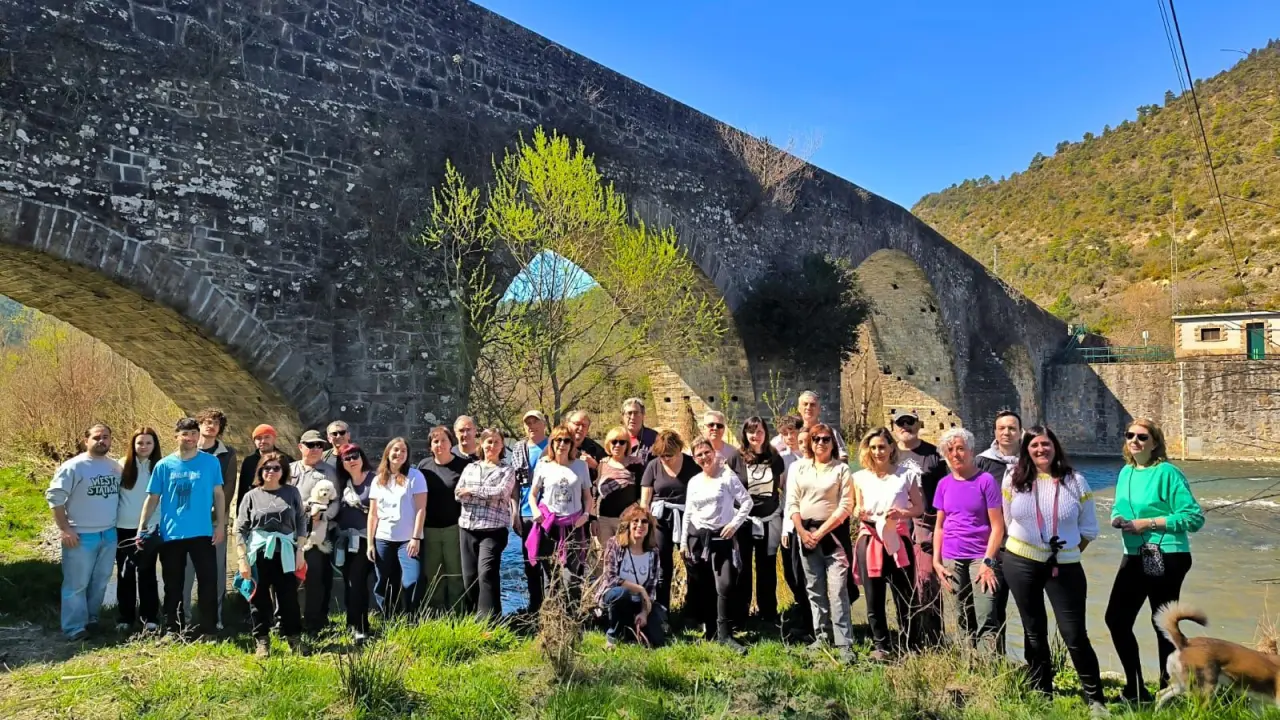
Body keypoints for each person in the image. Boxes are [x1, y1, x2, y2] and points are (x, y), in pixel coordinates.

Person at [1001, 426, 1107, 715]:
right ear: (1026, 450)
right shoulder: (1013, 479)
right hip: (1021, 561)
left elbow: (1089, 529)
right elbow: (1009, 520)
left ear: (1055, 446)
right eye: (1034, 445)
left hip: (1065, 565)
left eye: (1046, 444)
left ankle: (1096, 699)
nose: (1041, 450)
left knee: (1074, 634)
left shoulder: (1076, 481)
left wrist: (1066, 552)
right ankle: (1042, 693)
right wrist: (1033, 548)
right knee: (1034, 631)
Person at [1105, 418, 1204, 702]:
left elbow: (1194, 517)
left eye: (1142, 437)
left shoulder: (1168, 473)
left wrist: (1148, 523)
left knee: (1162, 623)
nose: (1134, 441)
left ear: (1155, 443)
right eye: (1130, 435)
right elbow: (1119, 506)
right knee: (1116, 619)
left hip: (1168, 555)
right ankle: (1136, 689)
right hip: (1135, 554)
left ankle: (1168, 690)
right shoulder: (1126, 472)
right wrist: (1117, 518)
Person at [137, 418, 226, 638]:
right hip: (172, 534)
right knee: (173, 585)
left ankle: (208, 629)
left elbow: (218, 494)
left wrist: (220, 525)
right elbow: (153, 498)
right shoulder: (164, 465)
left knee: (208, 582)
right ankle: (173, 628)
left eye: (194, 433)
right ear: (176, 436)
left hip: (203, 533)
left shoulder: (211, 462)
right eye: (185, 434)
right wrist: (142, 527)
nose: (191, 438)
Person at [931, 428, 1006, 653]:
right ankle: (966, 666)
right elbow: (940, 526)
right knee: (960, 618)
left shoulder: (986, 481)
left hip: (980, 558)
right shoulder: (943, 484)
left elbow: (997, 526)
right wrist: (936, 561)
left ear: (971, 451)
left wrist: (988, 562)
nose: (955, 454)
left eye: (960, 448)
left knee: (986, 617)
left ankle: (988, 667)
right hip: (951, 559)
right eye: (950, 450)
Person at [851, 428, 922, 661]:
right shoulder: (859, 477)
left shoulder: (906, 475)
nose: (877, 452)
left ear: (891, 447)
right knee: (874, 596)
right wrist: (858, 512)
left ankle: (910, 645)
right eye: (873, 447)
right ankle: (881, 645)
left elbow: (919, 507)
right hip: (870, 539)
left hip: (898, 538)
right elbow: (855, 507)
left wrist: (902, 513)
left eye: (882, 446)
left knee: (904, 595)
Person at [786, 423, 855, 663]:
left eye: (826, 439)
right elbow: (792, 502)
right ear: (810, 442)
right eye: (816, 439)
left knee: (837, 590)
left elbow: (846, 505)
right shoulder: (799, 468)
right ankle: (822, 636)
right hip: (806, 534)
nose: (821, 443)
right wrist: (801, 531)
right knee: (814, 588)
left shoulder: (841, 470)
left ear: (833, 443)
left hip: (833, 536)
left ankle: (844, 642)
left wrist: (821, 532)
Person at [46, 423, 121, 641]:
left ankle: (92, 619)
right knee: (76, 584)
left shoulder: (114, 467)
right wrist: (65, 529)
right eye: (96, 437)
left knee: (100, 581)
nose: (102, 441)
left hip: (108, 534)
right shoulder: (74, 466)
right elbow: (55, 498)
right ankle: (74, 627)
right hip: (81, 535)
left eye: (106, 437)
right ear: (86, 440)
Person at [682, 435, 752, 651]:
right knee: (705, 587)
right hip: (699, 539)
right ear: (694, 458)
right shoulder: (694, 481)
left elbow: (747, 502)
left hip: (722, 538)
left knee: (725, 585)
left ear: (714, 453)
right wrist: (683, 542)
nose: (704, 457)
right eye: (699, 455)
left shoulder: (727, 476)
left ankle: (725, 634)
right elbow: (688, 512)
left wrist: (734, 524)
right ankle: (710, 631)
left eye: (707, 452)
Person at [234, 451, 306, 657]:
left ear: (283, 471)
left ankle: (294, 639)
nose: (271, 471)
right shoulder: (251, 496)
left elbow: (301, 521)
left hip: (286, 553)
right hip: (258, 553)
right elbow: (240, 529)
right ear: (260, 470)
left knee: (289, 598)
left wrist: (300, 551)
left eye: (276, 468)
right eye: (267, 467)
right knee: (259, 600)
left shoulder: (292, 493)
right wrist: (242, 559)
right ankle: (262, 641)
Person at [893, 409, 946, 648]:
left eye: (910, 422)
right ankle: (908, 637)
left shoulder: (934, 454)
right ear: (894, 427)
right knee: (903, 580)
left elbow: (945, 490)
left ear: (918, 425)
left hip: (926, 523)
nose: (906, 426)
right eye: (901, 422)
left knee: (927, 581)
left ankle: (934, 639)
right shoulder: (889, 453)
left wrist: (942, 525)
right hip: (897, 523)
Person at [526, 424, 593, 599]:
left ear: (572, 444)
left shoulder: (581, 466)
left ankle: (572, 613)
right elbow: (532, 494)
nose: (562, 444)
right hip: (548, 524)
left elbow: (588, 497)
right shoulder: (544, 464)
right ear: (552, 443)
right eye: (558, 440)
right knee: (550, 576)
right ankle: (550, 613)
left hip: (573, 525)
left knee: (571, 577)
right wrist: (535, 511)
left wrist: (586, 515)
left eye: (566, 440)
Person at [456, 428, 517, 619]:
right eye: (488, 441)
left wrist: (472, 491)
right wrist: (483, 494)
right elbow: (458, 493)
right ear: (481, 444)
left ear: (502, 445)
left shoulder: (507, 470)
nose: (492, 445)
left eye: (496, 442)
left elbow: (501, 493)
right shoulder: (471, 468)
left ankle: (489, 621)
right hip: (468, 527)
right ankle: (472, 617)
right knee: (470, 577)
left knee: (487, 572)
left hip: (493, 529)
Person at [186, 408, 237, 630]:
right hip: (188, 521)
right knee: (186, 571)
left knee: (216, 571)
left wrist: (217, 513)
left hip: (216, 521)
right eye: (207, 422)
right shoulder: (187, 450)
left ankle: (215, 617)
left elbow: (229, 487)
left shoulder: (228, 454)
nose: (211, 426)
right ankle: (183, 618)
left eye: (216, 423)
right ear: (198, 425)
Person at [733, 416, 787, 626]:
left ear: (766, 433)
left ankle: (768, 613)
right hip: (744, 521)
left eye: (760, 431)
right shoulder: (736, 458)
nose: (755, 436)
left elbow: (780, 487)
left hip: (768, 520)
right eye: (751, 431)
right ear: (745, 434)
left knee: (767, 567)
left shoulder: (774, 457)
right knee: (743, 567)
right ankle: (741, 613)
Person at [639, 429, 699, 612]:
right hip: (661, 520)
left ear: (679, 450)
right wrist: (645, 523)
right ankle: (662, 609)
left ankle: (693, 609)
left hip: (687, 518)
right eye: (662, 456)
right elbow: (645, 500)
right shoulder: (653, 466)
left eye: (669, 455)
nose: (665, 459)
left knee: (692, 562)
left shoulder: (692, 465)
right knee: (662, 565)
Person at [367, 436, 428, 616]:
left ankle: (412, 618)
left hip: (408, 540)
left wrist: (416, 537)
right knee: (384, 581)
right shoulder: (378, 480)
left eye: (403, 451)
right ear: (388, 452)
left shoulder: (415, 476)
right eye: (396, 450)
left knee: (412, 580)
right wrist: (370, 543)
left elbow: (421, 509)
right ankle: (389, 618)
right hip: (383, 538)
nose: (399, 454)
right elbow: (373, 514)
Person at [417, 426, 470, 613]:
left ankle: (458, 612)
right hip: (429, 528)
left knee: (455, 573)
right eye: (435, 441)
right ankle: (435, 613)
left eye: (443, 440)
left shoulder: (463, 466)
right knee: (433, 574)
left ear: (451, 443)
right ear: (430, 446)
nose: (439, 445)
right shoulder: (424, 466)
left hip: (454, 527)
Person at [597, 504, 665, 648]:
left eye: (644, 521)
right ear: (628, 524)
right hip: (614, 596)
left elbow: (651, 590)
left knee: (657, 640)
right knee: (622, 593)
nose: (640, 525)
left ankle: (630, 631)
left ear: (649, 527)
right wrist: (640, 589)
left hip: (638, 602)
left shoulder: (653, 552)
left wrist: (644, 613)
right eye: (635, 521)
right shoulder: (615, 544)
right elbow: (611, 578)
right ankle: (612, 637)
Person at [291, 429, 339, 633]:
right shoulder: (290, 469)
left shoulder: (329, 472)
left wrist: (324, 516)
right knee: (288, 577)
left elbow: (336, 501)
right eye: (311, 445)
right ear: (300, 447)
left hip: (316, 531)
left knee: (315, 577)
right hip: (291, 530)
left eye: (320, 445)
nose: (316, 449)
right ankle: (286, 620)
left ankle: (313, 622)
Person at [116, 427, 162, 633]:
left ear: (155, 445)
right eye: (140, 443)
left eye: (148, 443)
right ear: (133, 445)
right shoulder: (121, 465)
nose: (144, 447)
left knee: (147, 572)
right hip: (124, 527)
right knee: (125, 573)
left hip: (150, 528)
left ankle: (150, 617)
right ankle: (125, 617)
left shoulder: (160, 467)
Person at [776, 415, 814, 640]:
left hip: (812, 521)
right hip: (789, 519)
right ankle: (802, 610)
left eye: (793, 432)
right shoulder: (783, 459)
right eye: (785, 434)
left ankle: (815, 620)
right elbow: (784, 493)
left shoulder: (815, 457)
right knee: (792, 571)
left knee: (810, 571)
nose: (789, 437)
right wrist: (785, 527)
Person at [509, 410, 550, 615]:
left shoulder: (554, 445)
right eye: (528, 423)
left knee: (550, 562)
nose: (532, 426)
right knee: (530, 562)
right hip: (526, 513)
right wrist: (514, 511)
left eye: (536, 422)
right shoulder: (520, 448)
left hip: (550, 513)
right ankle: (535, 607)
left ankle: (552, 608)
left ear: (544, 424)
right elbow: (515, 483)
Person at [335, 443, 375, 639]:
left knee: (357, 581)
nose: (352, 460)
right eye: (347, 458)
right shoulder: (341, 483)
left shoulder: (374, 480)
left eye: (355, 456)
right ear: (342, 463)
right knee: (348, 581)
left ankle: (361, 626)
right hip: (344, 540)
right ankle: (351, 623)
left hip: (365, 540)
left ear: (362, 457)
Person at [597, 426, 640, 544]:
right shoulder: (602, 464)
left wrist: (632, 508)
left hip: (626, 519)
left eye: (622, 442)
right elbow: (595, 493)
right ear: (608, 444)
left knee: (625, 552)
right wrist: (593, 518)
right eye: (614, 442)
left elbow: (643, 492)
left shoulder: (636, 463)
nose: (617, 445)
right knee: (606, 553)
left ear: (627, 445)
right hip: (604, 520)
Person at [236, 425, 293, 511]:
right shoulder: (249, 461)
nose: (263, 441)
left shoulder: (286, 460)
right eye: (259, 438)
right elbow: (243, 489)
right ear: (254, 441)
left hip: (281, 508)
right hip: (255, 508)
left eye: (267, 437)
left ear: (274, 439)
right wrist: (240, 511)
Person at [976, 410, 1022, 479]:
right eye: (1001, 428)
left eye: (1012, 428)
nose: (1006, 433)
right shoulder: (982, 462)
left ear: (1020, 432)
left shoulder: (1031, 459)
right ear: (995, 433)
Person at [702, 410, 745, 475]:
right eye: (711, 425)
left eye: (719, 426)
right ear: (704, 428)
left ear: (724, 429)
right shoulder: (694, 453)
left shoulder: (733, 453)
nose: (715, 428)